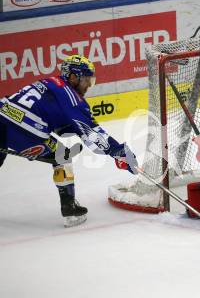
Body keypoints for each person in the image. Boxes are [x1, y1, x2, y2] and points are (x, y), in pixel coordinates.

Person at [0, 55, 138, 227]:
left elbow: (55, 117)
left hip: (2, 116)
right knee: (62, 156)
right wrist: (119, 152)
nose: (88, 85)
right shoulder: (72, 99)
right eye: (86, 79)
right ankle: (69, 209)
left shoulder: (50, 82)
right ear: (73, 77)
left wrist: (76, 131)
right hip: (25, 133)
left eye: (91, 80)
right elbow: (93, 134)